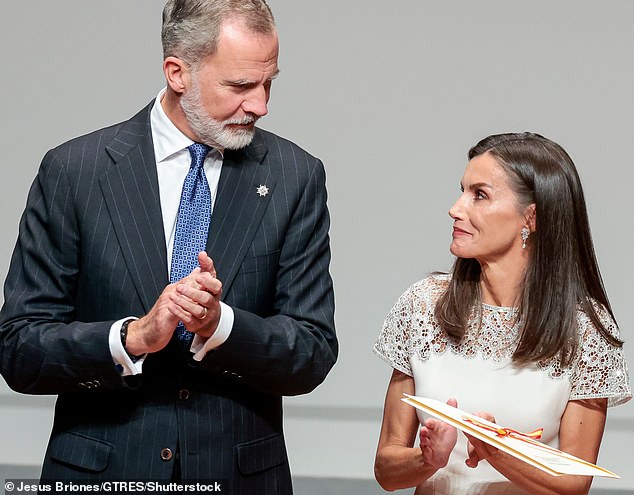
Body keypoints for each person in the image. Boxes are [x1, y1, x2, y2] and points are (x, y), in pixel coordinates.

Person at [0, 1, 337, 493]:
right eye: (241, 85)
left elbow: (312, 349)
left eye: (269, 83)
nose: (260, 105)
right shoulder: (75, 172)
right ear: (177, 72)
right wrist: (133, 338)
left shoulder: (295, 177)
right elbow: (19, 348)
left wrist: (219, 324)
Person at [373, 132, 631, 495]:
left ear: (532, 217)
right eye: (462, 190)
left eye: (479, 195)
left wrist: (497, 451)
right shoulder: (423, 305)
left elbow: (574, 484)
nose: (456, 208)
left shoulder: (585, 328)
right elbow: (386, 469)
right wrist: (428, 459)